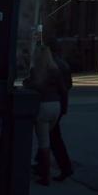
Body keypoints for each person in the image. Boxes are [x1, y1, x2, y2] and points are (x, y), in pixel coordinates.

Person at [23, 44, 67, 186]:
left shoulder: (36, 71)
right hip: (56, 107)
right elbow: (63, 89)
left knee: (44, 143)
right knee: (50, 137)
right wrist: (63, 108)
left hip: (43, 107)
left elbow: (29, 85)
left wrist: (27, 82)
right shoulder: (55, 70)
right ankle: (44, 167)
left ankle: (45, 176)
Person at [35, 43, 74, 182]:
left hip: (47, 103)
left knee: (52, 139)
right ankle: (42, 164)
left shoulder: (45, 65)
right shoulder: (63, 64)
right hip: (58, 104)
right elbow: (68, 86)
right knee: (53, 137)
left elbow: (36, 85)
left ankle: (60, 168)